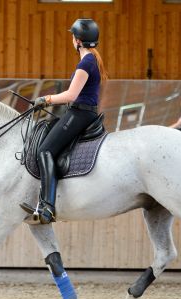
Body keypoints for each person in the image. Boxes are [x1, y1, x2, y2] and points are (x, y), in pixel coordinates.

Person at [22, 18, 108, 224]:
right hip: (84, 112)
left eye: (73, 36)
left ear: (78, 41)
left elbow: (71, 95)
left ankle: (47, 207)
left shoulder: (85, 63)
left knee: (45, 150)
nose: (72, 40)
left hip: (80, 113)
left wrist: (45, 99)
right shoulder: (93, 59)